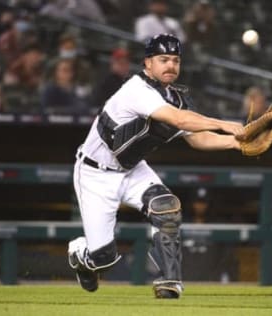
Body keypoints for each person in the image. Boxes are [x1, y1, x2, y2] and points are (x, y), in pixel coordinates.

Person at [67, 34, 245, 299]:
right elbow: (179, 120)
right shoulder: (137, 89)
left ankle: (169, 282)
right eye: (163, 59)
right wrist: (224, 123)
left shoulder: (175, 98)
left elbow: (198, 138)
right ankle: (81, 254)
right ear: (147, 63)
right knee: (103, 257)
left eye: (175, 60)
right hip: (95, 173)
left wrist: (236, 144)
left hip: (132, 169)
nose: (170, 65)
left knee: (167, 208)